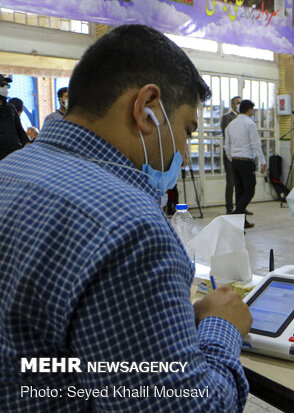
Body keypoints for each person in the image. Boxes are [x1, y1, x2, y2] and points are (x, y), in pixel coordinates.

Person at [0, 25, 252, 412]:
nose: (183, 153)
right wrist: (223, 328)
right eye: (186, 129)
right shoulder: (130, 226)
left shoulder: (11, 169)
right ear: (146, 109)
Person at [224, 99, 266, 229]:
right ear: (249, 110)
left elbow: (227, 145)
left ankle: (242, 222)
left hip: (235, 161)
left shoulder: (231, 124)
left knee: (240, 191)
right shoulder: (250, 124)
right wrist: (262, 161)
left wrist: (232, 158)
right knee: (249, 190)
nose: (252, 112)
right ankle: (236, 216)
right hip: (246, 161)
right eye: (252, 110)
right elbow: (255, 144)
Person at [221, 96, 252, 216]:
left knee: (243, 185)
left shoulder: (244, 118)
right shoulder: (227, 118)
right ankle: (229, 208)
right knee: (231, 182)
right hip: (231, 154)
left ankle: (241, 207)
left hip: (243, 155)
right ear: (232, 105)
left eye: (240, 103)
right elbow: (227, 136)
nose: (239, 105)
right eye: (237, 103)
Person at [0, 75, 29, 161]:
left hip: (14, 156)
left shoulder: (11, 107)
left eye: (7, 85)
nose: (5, 88)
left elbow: (20, 131)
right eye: (2, 85)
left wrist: (28, 145)